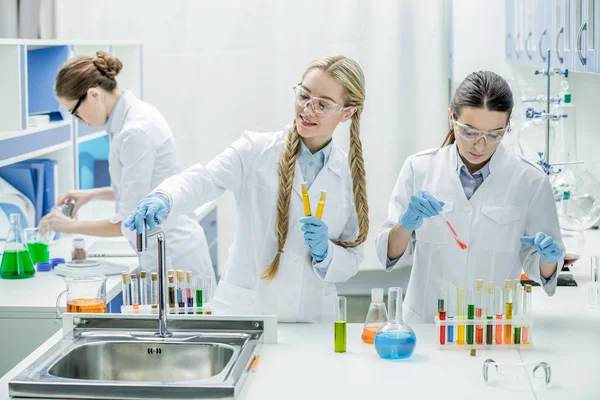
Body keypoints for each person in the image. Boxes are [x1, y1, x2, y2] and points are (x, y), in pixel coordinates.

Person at [125, 55, 369, 322]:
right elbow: (204, 179)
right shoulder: (255, 150)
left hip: (311, 319)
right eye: (303, 95)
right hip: (249, 311)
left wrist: (327, 254)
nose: (307, 109)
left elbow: (353, 256)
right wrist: (166, 195)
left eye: (322, 105)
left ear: (347, 112)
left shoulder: (348, 175)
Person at [375, 71, 564, 323]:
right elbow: (388, 254)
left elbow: (537, 265)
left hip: (492, 326)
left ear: (507, 126)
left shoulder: (530, 181)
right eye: (470, 132)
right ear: (452, 118)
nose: (480, 145)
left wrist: (549, 260)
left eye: (494, 134)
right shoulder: (419, 168)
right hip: (426, 323)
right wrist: (406, 225)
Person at [39, 51, 215, 282]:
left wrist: (70, 226)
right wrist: (92, 195)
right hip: (167, 251)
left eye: (75, 112)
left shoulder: (134, 132)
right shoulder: (133, 116)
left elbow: (129, 220)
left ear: (93, 95)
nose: (80, 121)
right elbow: (146, 188)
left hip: (173, 257)